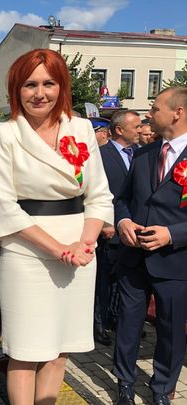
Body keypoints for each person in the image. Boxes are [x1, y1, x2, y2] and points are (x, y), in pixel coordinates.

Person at [0, 49, 113, 405]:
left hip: (80, 252)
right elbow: (4, 206)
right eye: (30, 85)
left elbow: (99, 194)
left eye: (48, 83)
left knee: (60, 349)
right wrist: (59, 249)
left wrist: (85, 244)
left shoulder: (81, 128)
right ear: (16, 89)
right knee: (26, 351)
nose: (39, 93)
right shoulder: (4, 135)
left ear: (62, 87)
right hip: (27, 252)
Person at [112, 87, 187, 405]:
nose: (148, 115)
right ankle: (124, 383)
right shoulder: (143, 153)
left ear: (178, 113)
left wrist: (172, 234)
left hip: (175, 259)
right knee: (128, 324)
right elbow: (123, 199)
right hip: (134, 257)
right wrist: (123, 222)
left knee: (171, 330)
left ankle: (162, 388)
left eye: (155, 108)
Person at [94, 111, 140, 347]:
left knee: (122, 282)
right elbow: (94, 192)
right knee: (103, 282)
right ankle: (98, 325)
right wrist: (103, 222)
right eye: (136, 126)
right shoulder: (101, 155)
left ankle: (117, 318)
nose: (140, 130)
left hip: (132, 230)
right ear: (120, 130)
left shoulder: (140, 154)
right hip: (108, 231)